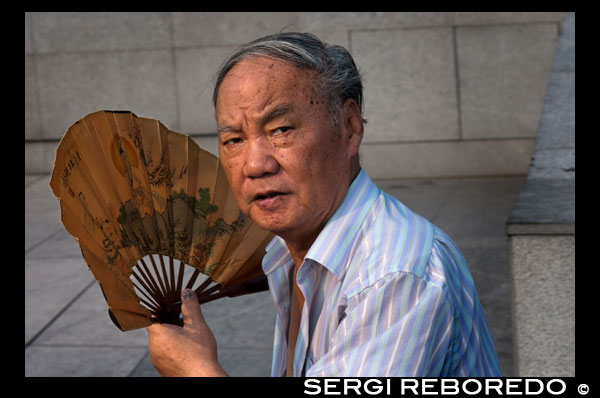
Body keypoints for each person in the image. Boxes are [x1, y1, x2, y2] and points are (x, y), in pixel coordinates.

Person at [146, 32, 502, 377]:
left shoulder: (393, 275)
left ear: (349, 127)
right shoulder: (287, 254)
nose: (255, 165)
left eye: (280, 130)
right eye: (234, 139)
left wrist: (196, 371)